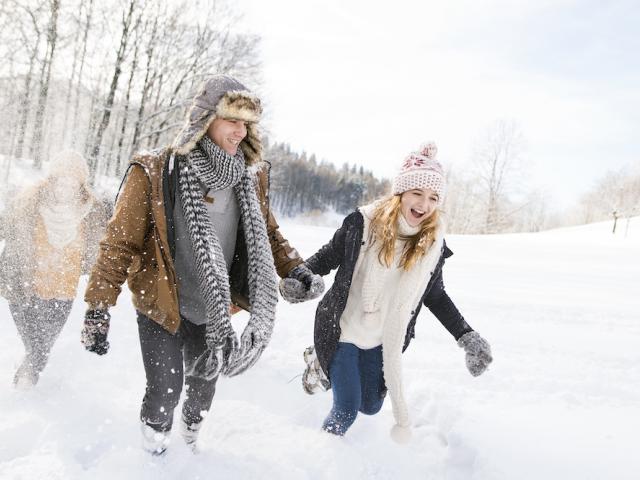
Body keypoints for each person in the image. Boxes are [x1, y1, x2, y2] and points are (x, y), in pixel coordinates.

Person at [80, 75, 324, 454]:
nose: (240, 132)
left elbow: (269, 233)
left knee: (202, 393)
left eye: (247, 123)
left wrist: (297, 269)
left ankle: (191, 439)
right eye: (232, 120)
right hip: (162, 302)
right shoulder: (157, 171)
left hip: (214, 309)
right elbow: (119, 243)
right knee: (165, 391)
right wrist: (98, 306)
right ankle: (154, 451)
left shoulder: (250, 176)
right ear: (206, 118)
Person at [281, 142, 493, 443]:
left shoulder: (432, 247)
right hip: (342, 329)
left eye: (434, 197)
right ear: (401, 193)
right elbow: (326, 257)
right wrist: (301, 278)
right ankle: (321, 457)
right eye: (417, 193)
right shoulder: (362, 225)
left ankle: (321, 366)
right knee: (346, 410)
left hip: (381, 339)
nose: (424, 204)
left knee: (370, 405)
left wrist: (466, 336)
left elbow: (436, 297)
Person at [0, 150, 109, 388]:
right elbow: (4, 226)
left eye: (72, 182)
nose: (65, 187)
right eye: (61, 180)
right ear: (52, 180)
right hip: (24, 289)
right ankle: (24, 387)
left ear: (80, 185)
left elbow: (106, 250)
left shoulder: (92, 213)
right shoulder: (27, 204)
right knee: (35, 345)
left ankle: (26, 382)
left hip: (62, 294)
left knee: (42, 346)